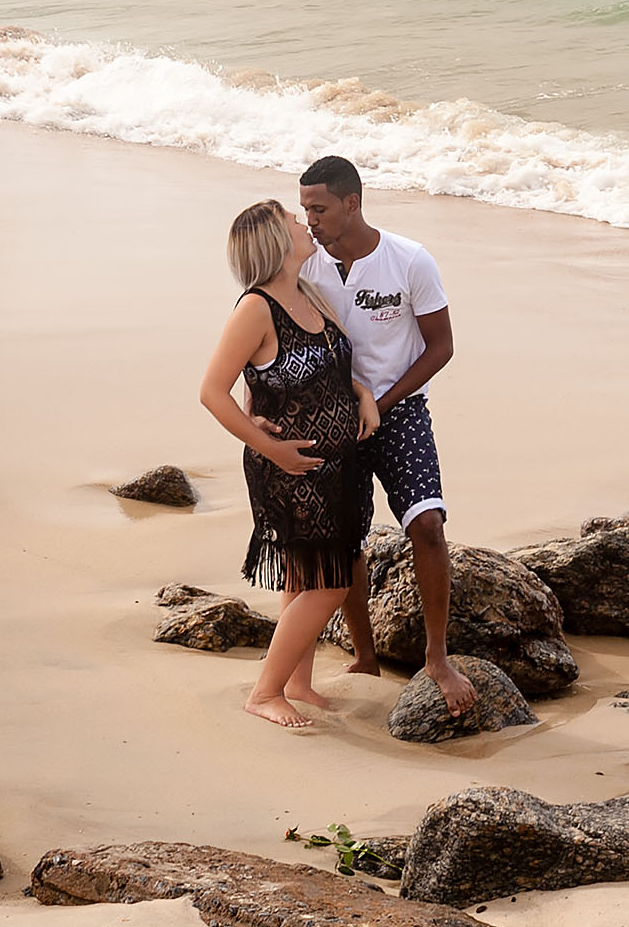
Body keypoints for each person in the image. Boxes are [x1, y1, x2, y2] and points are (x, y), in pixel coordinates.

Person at [297, 156, 477, 717]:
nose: (311, 222)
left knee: (427, 523)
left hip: (400, 412)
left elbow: (441, 345)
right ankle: (366, 655)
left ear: (353, 202)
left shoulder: (409, 259)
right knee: (345, 539)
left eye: (319, 209)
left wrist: (384, 402)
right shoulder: (305, 268)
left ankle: (437, 657)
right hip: (335, 418)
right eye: (305, 210)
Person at [199, 199, 379, 728]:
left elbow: (330, 367)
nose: (306, 224)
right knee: (332, 581)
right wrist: (268, 445)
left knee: (305, 576)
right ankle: (264, 691)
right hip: (291, 469)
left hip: (338, 465)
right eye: (293, 221)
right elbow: (213, 392)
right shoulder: (255, 309)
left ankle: (297, 682)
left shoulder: (309, 294)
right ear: (275, 244)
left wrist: (363, 394)